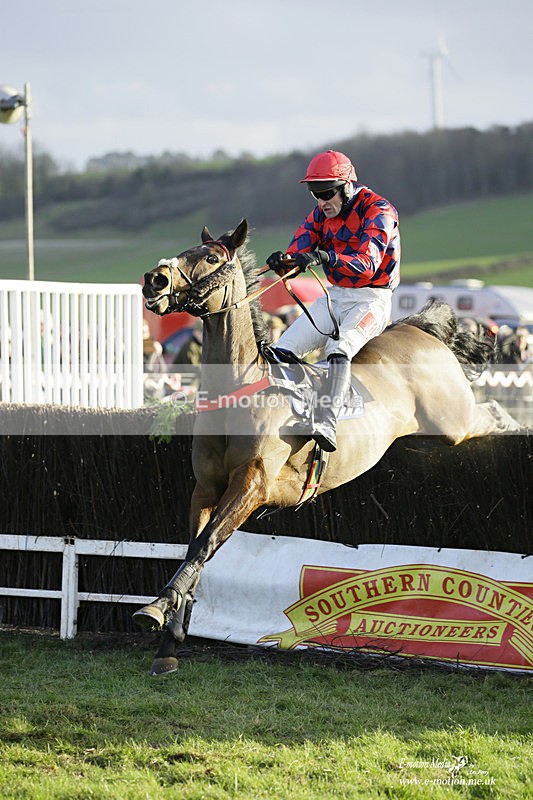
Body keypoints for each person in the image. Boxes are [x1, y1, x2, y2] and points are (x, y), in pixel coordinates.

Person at [266, 150, 401, 451]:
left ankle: (327, 419)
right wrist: (283, 260)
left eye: (327, 193)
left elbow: (367, 263)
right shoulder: (319, 214)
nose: (321, 202)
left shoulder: (380, 210)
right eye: (315, 194)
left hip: (371, 299)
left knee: (338, 349)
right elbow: (298, 251)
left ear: (347, 186)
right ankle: (295, 409)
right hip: (336, 297)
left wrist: (325, 255)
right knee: (279, 352)